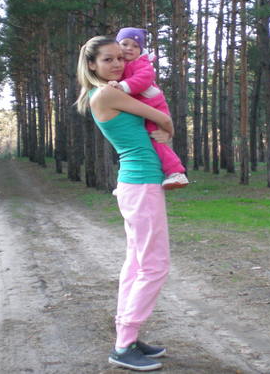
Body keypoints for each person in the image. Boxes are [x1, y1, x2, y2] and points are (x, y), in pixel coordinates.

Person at [76, 36, 173, 372]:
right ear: (92, 64)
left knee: (136, 263)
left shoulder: (105, 92)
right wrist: (168, 127)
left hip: (137, 183)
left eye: (120, 57)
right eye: (108, 59)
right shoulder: (107, 93)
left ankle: (127, 337)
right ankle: (123, 345)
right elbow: (161, 118)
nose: (118, 64)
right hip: (141, 183)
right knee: (155, 265)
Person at [109, 27, 189, 190]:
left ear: (141, 50)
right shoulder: (119, 64)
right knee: (131, 142)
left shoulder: (142, 63)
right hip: (139, 111)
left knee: (157, 140)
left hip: (155, 109)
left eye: (135, 46)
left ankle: (176, 172)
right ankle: (127, 182)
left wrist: (122, 86)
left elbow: (144, 79)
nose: (129, 48)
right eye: (125, 44)